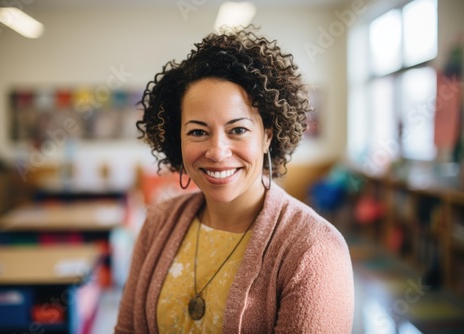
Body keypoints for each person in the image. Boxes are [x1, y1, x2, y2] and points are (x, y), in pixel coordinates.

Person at [115, 27, 354, 333]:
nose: (216, 152)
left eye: (237, 129)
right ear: (178, 140)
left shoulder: (314, 249)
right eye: (198, 131)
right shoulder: (158, 222)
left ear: (267, 136)